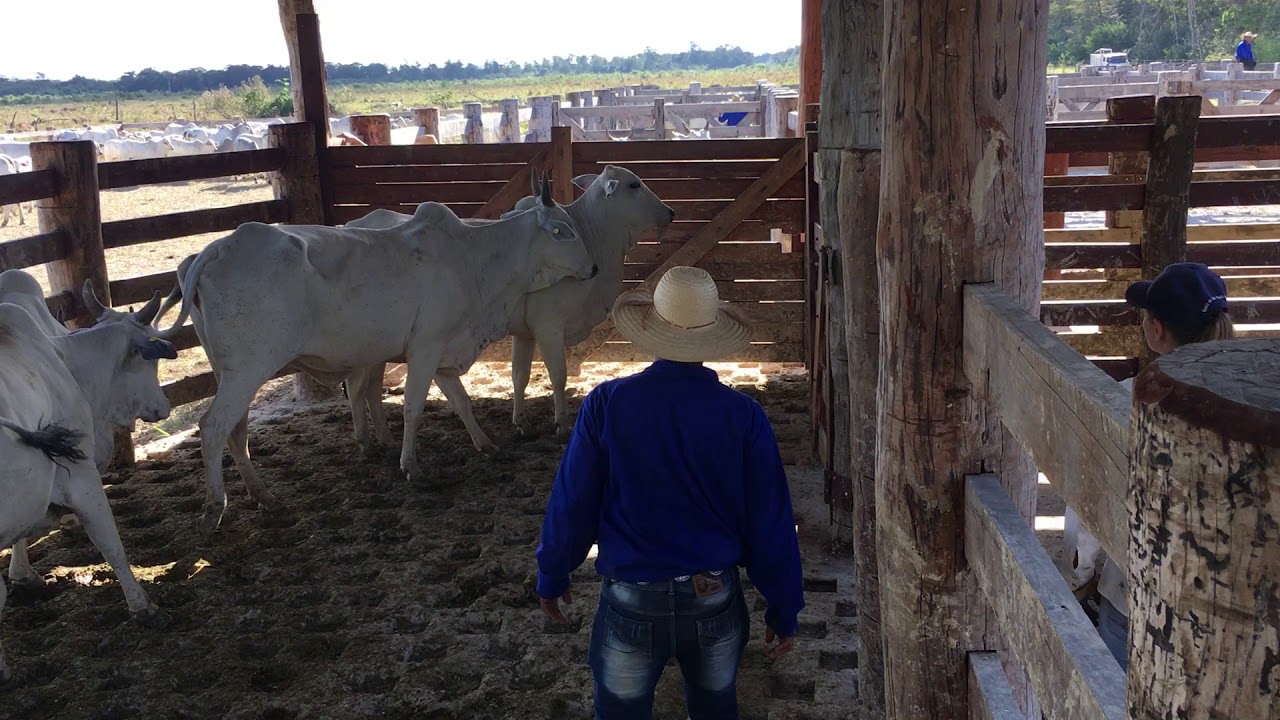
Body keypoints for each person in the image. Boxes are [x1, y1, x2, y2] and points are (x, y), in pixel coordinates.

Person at [535, 265, 805, 720]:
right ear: (711, 336)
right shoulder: (744, 415)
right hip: (714, 597)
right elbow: (770, 521)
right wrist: (783, 607)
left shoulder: (606, 403)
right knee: (715, 709)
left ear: (652, 331)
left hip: (631, 599)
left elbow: (573, 503)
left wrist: (553, 573)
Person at [1064, 262, 1235, 671]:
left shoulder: (1130, 402)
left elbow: (1088, 510)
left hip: (1138, 594)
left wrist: (1080, 578)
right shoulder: (1255, 404)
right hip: (1233, 609)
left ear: (1156, 330)